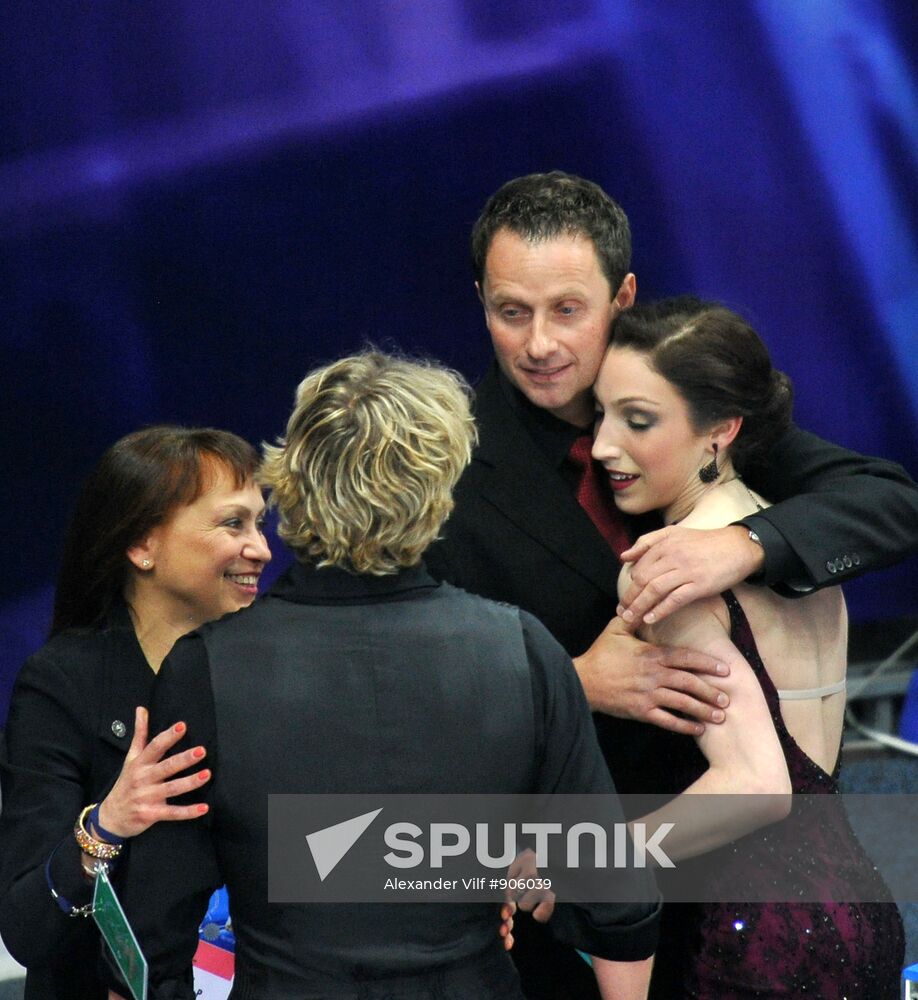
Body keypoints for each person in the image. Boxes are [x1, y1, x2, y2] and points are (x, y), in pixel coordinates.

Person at [423, 170, 918, 997]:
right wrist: (570, 681)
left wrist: (743, 546)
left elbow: (889, 503)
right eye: (512, 312)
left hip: (760, 905)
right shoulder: (444, 474)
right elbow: (409, 694)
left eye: (567, 310)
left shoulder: (705, 404)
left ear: (622, 296)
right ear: (480, 300)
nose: (539, 343)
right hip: (583, 915)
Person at [107, 350, 661, 1000]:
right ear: (439, 485)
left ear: (295, 480)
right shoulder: (523, 651)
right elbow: (618, 906)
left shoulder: (205, 669)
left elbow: (148, 938)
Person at [591, 298, 905, 997]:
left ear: (720, 432)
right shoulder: (796, 542)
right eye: (602, 413)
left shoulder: (667, 566)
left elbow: (758, 787)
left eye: (638, 421)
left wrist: (588, 858)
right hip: (862, 908)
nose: (605, 444)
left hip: (762, 936)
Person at [0, 426, 271, 999]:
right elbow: (26, 930)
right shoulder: (61, 682)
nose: (262, 549)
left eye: (259, 523)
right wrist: (107, 825)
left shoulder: (276, 671)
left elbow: (328, 847)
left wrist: (463, 891)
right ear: (143, 545)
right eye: (233, 524)